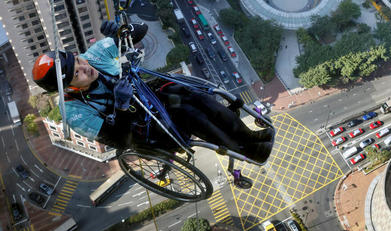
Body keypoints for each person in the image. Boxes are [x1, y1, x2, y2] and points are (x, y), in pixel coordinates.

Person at [31, 21, 274, 163]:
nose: (86, 67)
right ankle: (246, 151)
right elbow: (119, 141)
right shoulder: (74, 112)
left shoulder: (92, 56)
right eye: (77, 74)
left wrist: (122, 30)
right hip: (140, 131)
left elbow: (140, 31)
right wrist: (121, 106)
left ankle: (248, 137)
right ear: (70, 87)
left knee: (193, 94)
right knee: (188, 113)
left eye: (78, 60)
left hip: (148, 97)